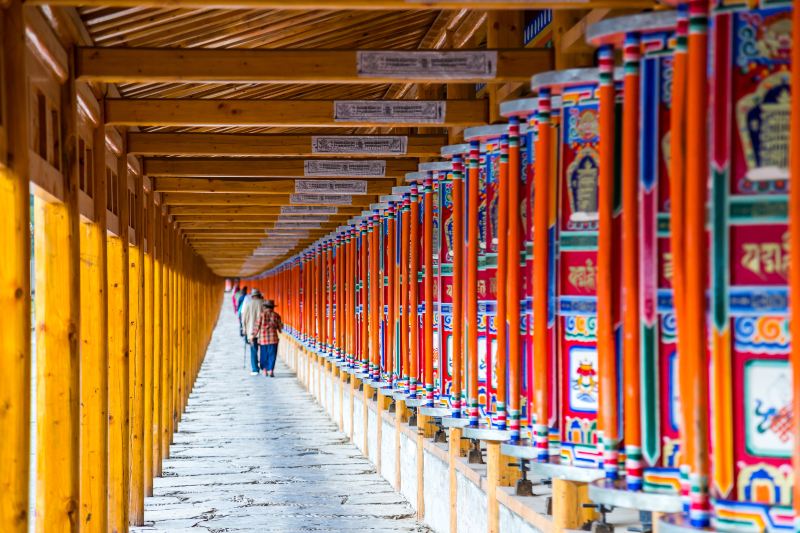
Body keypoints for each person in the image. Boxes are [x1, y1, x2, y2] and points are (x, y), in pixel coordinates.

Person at [251, 299, 283, 377]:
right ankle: (271, 370)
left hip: (263, 340)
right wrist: (279, 328)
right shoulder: (276, 315)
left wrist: (253, 335)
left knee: (264, 355)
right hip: (273, 339)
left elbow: (256, 327)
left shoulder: (261, 315)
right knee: (272, 355)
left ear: (265, 307)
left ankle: (265, 370)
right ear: (272, 307)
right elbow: (280, 328)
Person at [240, 289, 264, 375]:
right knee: (263, 349)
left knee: (253, 350)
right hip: (262, 331)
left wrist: (244, 329)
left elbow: (244, 319)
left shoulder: (248, 304)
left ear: (252, 296)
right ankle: (263, 366)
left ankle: (255, 369)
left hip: (251, 332)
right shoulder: (263, 303)